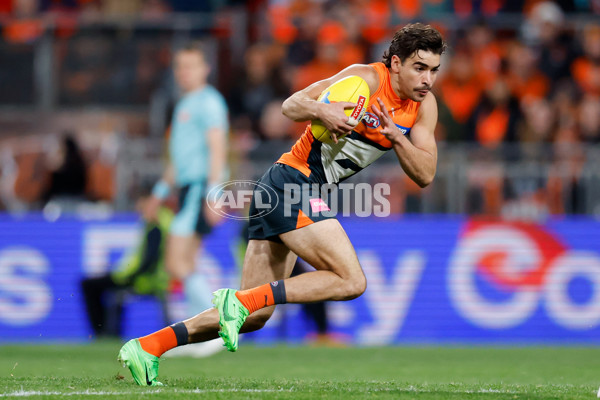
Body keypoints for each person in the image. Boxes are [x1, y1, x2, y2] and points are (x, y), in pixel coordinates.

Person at [118, 23, 446, 386]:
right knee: (351, 280)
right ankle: (237, 303)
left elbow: (426, 173)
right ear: (397, 64)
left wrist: (397, 140)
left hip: (287, 188)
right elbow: (290, 105)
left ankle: (148, 347)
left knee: (256, 314)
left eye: (433, 70)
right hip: (292, 182)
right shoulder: (364, 79)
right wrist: (322, 112)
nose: (427, 79)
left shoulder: (423, 107)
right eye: (420, 67)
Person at [145, 42, 229, 320]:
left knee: (175, 262)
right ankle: (202, 331)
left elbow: (217, 149)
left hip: (199, 188)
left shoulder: (209, 102)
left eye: (190, 66)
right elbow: (177, 158)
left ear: (206, 69)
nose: (184, 72)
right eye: (180, 66)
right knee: (188, 262)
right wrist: (159, 194)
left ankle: (217, 320)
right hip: (187, 188)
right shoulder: (185, 103)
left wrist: (214, 194)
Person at [81, 195, 172, 338]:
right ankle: (105, 331)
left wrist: (130, 277)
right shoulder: (165, 221)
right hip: (151, 279)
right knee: (96, 286)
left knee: (88, 285)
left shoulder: (155, 226)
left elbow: (149, 261)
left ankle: (102, 332)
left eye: (141, 206)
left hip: (143, 280)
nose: (139, 210)